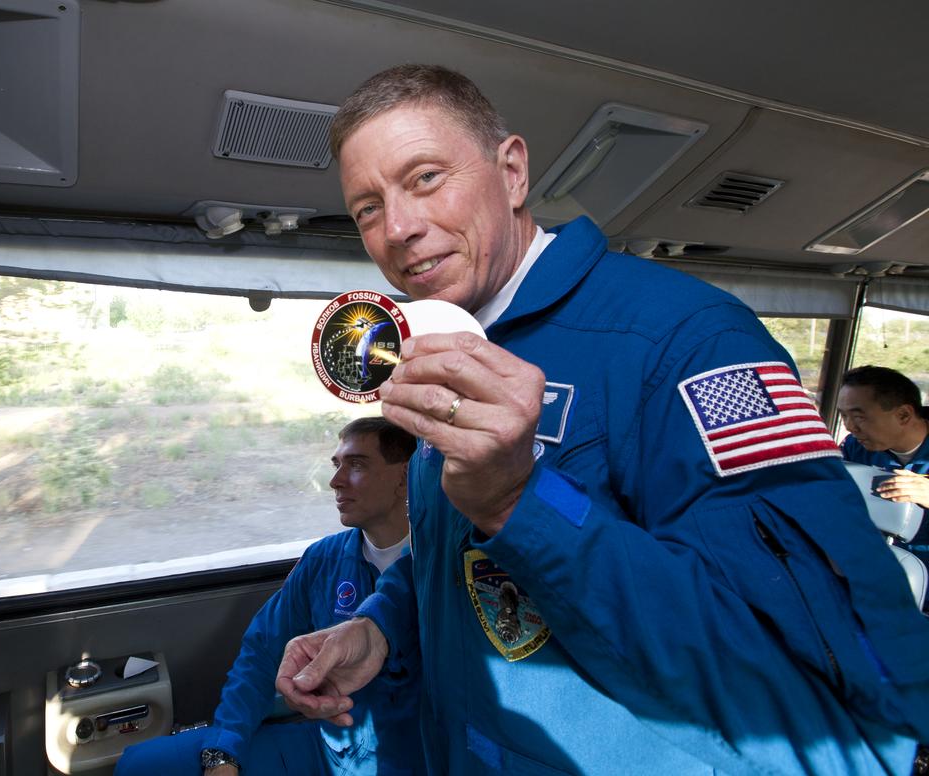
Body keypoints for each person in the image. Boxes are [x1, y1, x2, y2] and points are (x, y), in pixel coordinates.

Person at [275, 64, 929, 775]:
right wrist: (382, 625)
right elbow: (459, 554)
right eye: (368, 209)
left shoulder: (692, 342)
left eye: (426, 178)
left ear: (513, 173)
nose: (398, 228)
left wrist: (520, 501)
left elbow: (828, 715)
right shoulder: (441, 346)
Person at [115, 417, 423, 776]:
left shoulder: (442, 571)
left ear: (404, 477)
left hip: (414, 757)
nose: (335, 481)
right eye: (336, 465)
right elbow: (261, 654)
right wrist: (224, 751)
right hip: (330, 748)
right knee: (140, 766)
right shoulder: (324, 559)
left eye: (356, 465)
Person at [838, 365, 929, 563]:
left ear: (903, 415)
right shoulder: (855, 448)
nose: (850, 427)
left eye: (859, 417)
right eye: (844, 416)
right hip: (872, 558)